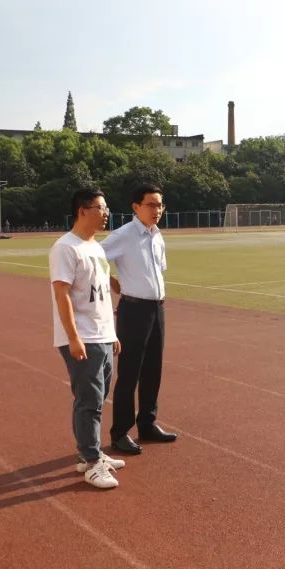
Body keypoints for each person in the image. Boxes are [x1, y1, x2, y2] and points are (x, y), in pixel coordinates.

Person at [49, 188, 124, 489]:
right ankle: (91, 462)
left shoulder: (96, 247)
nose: (106, 213)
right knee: (89, 400)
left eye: (106, 207)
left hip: (103, 335)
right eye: (100, 207)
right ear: (82, 210)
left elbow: (103, 294)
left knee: (97, 397)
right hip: (83, 337)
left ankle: (90, 454)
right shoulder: (66, 248)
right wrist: (73, 337)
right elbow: (61, 294)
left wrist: (112, 334)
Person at [102, 184, 176, 455]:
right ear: (136, 207)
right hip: (134, 310)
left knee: (153, 370)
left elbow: (159, 271)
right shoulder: (123, 235)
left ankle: (147, 423)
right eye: (151, 205)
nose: (157, 210)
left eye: (160, 205)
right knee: (129, 373)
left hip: (157, 310)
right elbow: (94, 258)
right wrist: (110, 280)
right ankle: (120, 432)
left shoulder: (157, 236)